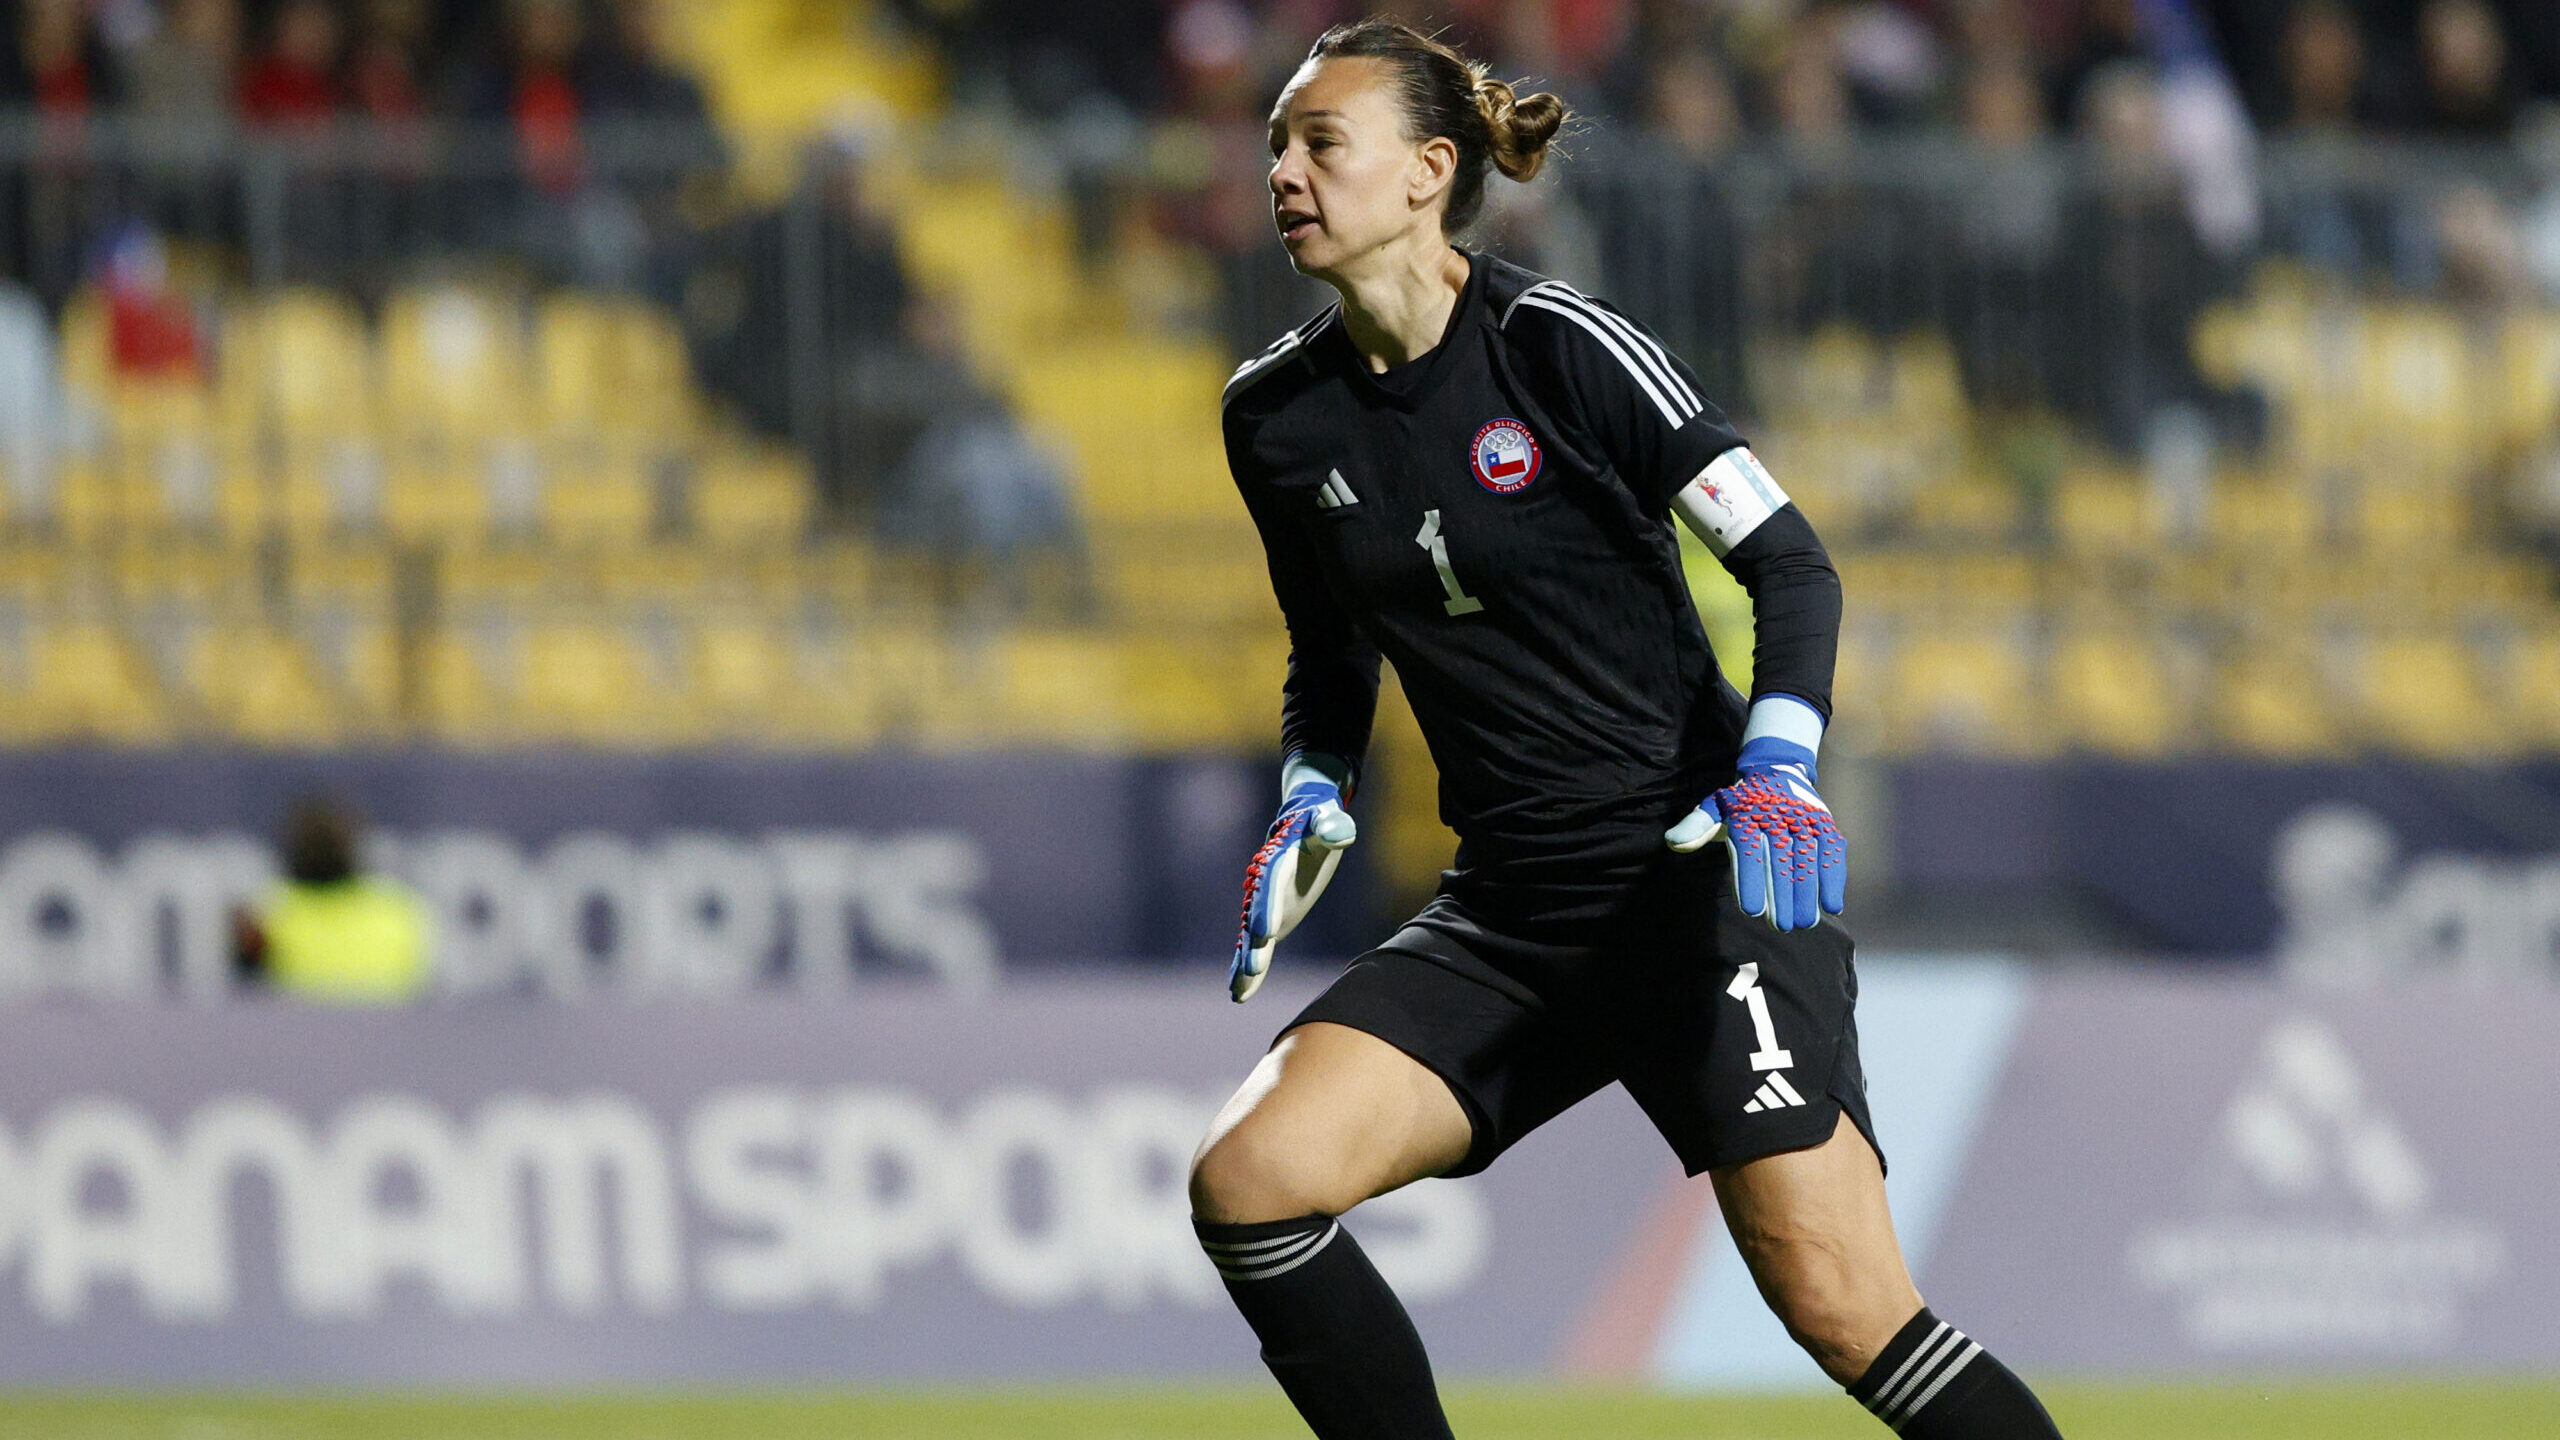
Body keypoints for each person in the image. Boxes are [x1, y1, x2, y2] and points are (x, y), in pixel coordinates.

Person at [1192, 20, 2067, 1440]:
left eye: (1317, 143)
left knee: (1849, 1314)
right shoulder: (1272, 420)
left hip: (1700, 886)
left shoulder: (1563, 348)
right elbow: (1330, 650)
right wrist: (1312, 787)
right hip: (1512, 916)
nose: (1282, 170)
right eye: (1277, 144)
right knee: (1249, 1184)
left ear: (1427, 172)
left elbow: (1791, 563)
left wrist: (1779, 757)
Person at [234, 795, 432, 1003]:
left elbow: (248, 987)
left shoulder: (268, 915)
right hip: (380, 1032)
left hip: (298, 1032)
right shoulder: (398, 912)